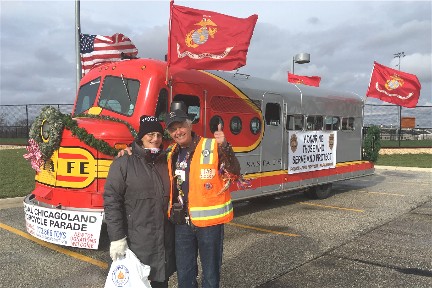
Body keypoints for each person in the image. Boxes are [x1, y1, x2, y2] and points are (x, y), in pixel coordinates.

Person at [165, 107, 241, 288]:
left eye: (181, 126)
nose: (178, 132)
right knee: (184, 275)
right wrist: (128, 151)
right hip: (182, 224)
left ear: (189, 125)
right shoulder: (171, 152)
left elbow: (234, 172)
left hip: (209, 225)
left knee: (211, 275)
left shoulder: (212, 145)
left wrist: (225, 147)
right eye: (173, 129)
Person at [104, 115, 176, 288]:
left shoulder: (166, 160)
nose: (155, 139)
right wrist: (117, 238)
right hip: (137, 242)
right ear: (141, 137)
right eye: (150, 134)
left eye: (159, 135)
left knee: (160, 282)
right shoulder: (124, 162)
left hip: (162, 242)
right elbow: (112, 201)